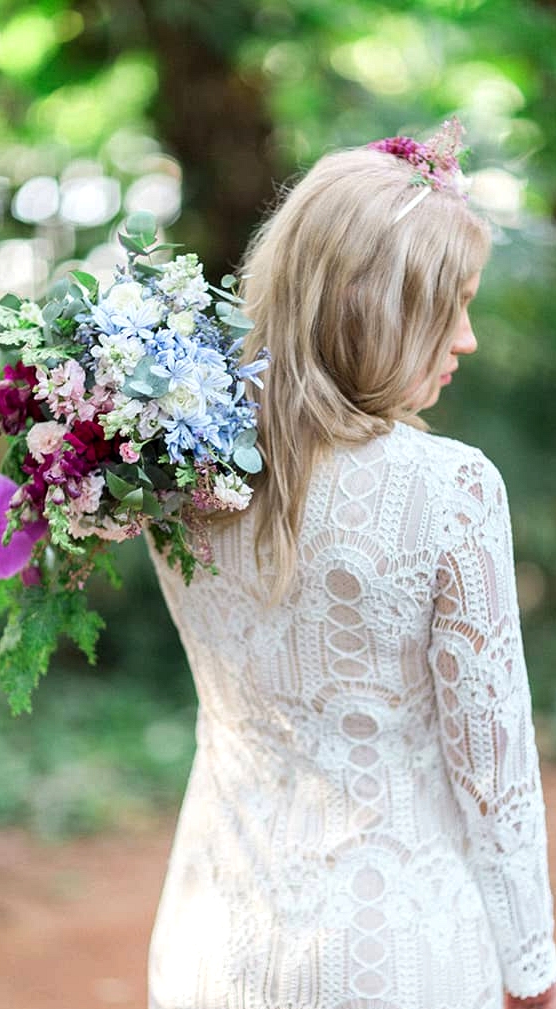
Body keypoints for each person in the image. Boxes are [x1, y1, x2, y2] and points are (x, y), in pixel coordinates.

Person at [146, 123, 556, 1009]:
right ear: (380, 307)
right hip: (402, 954)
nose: (467, 340)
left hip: (213, 941)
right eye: (450, 308)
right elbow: (494, 773)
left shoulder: (170, 469)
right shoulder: (450, 488)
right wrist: (531, 964)